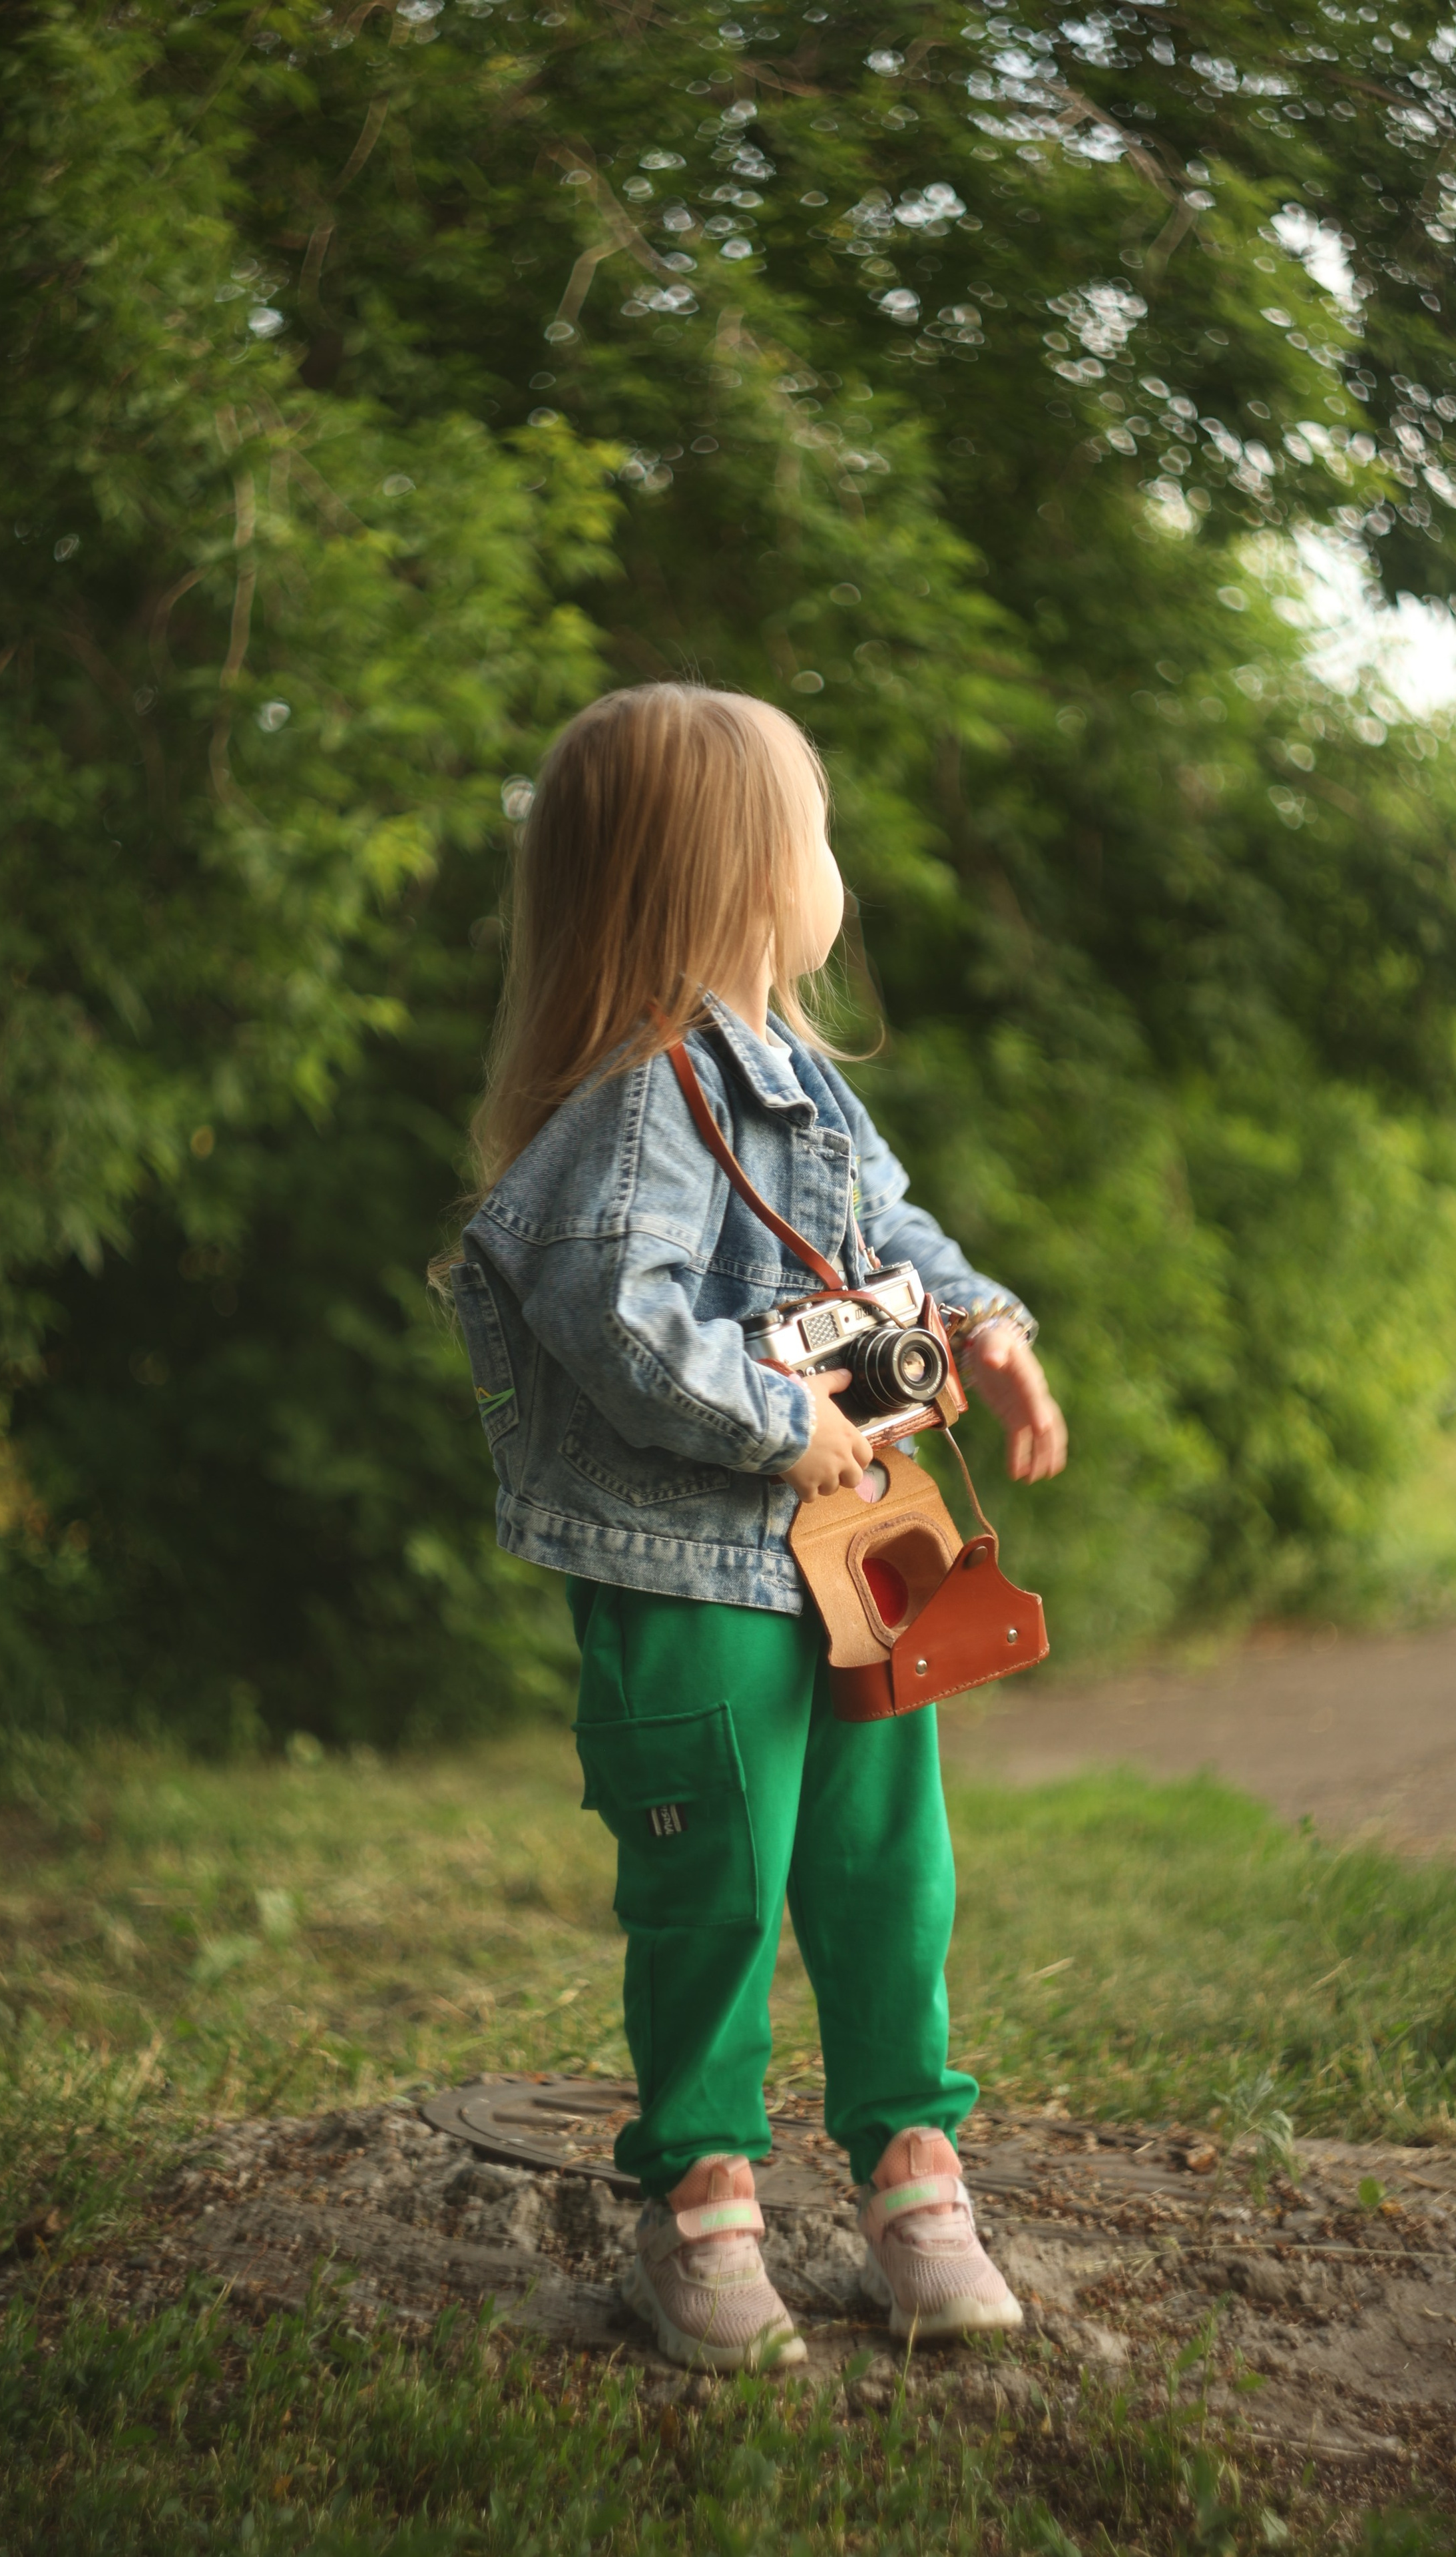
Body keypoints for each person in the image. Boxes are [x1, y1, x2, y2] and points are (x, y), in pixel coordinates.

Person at [446, 682, 1067, 2372]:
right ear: (730, 878)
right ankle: (703, 2200)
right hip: (690, 1569)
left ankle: (911, 2171)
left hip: (848, 1566)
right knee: (709, 1881)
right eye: (815, 838)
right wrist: (785, 1417)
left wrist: (982, 1326)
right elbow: (617, 1314)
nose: (834, 871)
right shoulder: (640, 1100)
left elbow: (888, 1230)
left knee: (887, 1869)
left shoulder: (789, 1067)